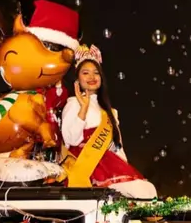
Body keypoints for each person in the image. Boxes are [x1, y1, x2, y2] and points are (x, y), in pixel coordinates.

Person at [61, 45, 156, 199]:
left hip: (109, 162)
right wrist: (83, 108)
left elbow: (117, 147)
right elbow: (70, 140)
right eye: (85, 73)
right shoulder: (73, 103)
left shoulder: (111, 112)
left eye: (96, 72)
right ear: (77, 79)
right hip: (85, 165)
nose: (92, 77)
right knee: (140, 191)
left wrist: (124, 168)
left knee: (146, 190)